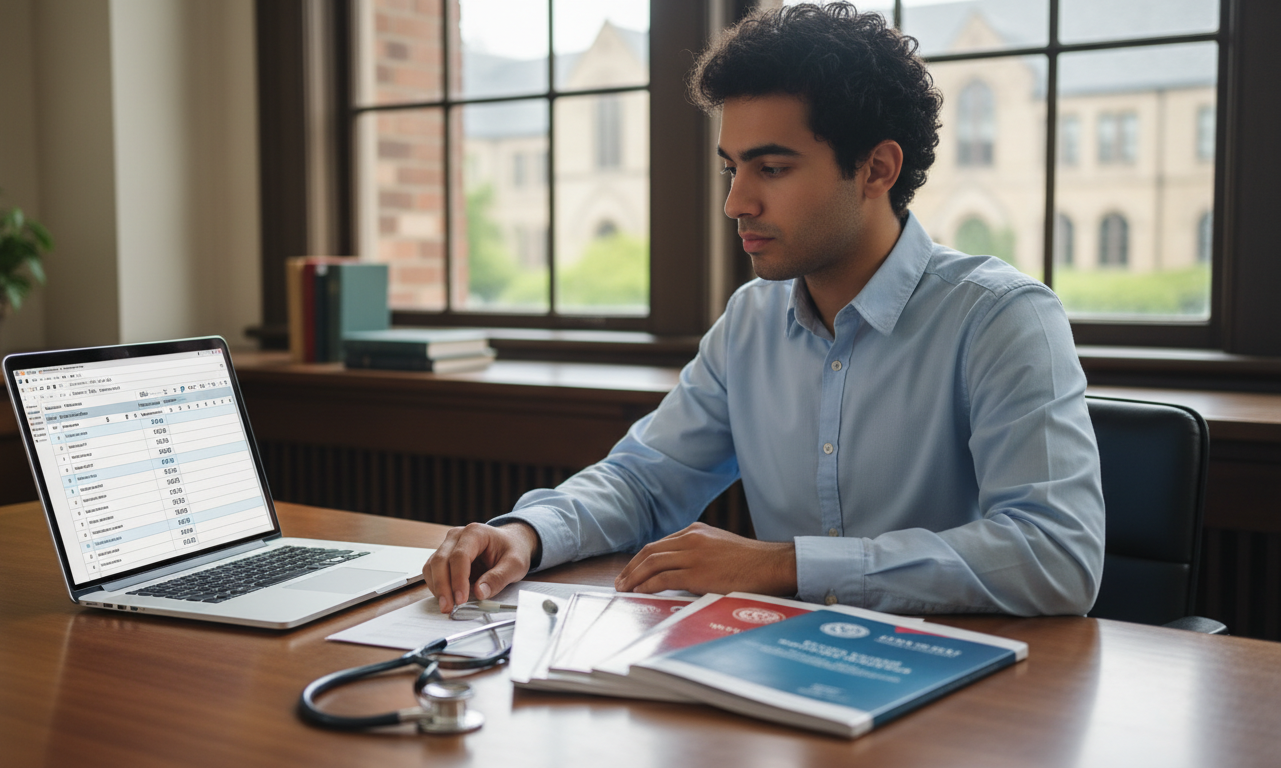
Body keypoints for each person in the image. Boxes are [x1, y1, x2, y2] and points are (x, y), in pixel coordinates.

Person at [424, 2, 1104, 616]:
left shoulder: (1003, 319)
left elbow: (1056, 556)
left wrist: (784, 565)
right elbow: (644, 482)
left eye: (771, 169)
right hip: (784, 680)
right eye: (731, 169)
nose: (736, 203)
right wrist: (526, 532)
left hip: (969, 703)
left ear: (876, 170)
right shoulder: (752, 320)